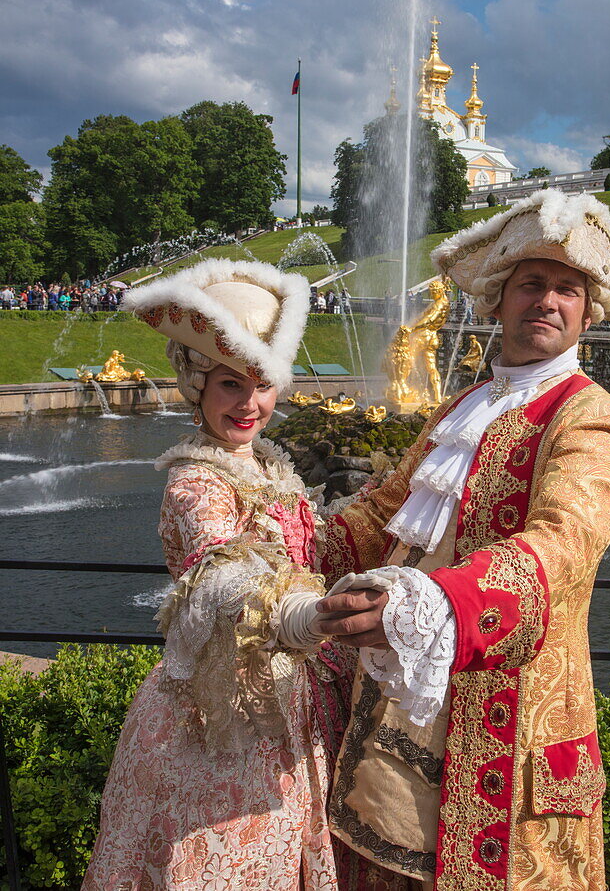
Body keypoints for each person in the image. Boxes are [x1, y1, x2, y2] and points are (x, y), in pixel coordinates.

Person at [316, 189, 610, 890]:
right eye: (530, 284)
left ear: (587, 313)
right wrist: (276, 539)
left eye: (566, 289)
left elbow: (563, 543)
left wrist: (438, 603)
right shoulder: (461, 405)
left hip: (509, 730)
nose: (546, 300)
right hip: (403, 710)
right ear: (498, 302)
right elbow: (382, 517)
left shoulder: (593, 418)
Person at [82, 259, 378, 891]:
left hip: (293, 697)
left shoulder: (269, 465)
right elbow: (224, 575)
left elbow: (310, 544)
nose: (250, 404)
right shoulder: (194, 482)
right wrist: (304, 615)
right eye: (230, 386)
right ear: (197, 385)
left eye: (262, 385)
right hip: (223, 714)